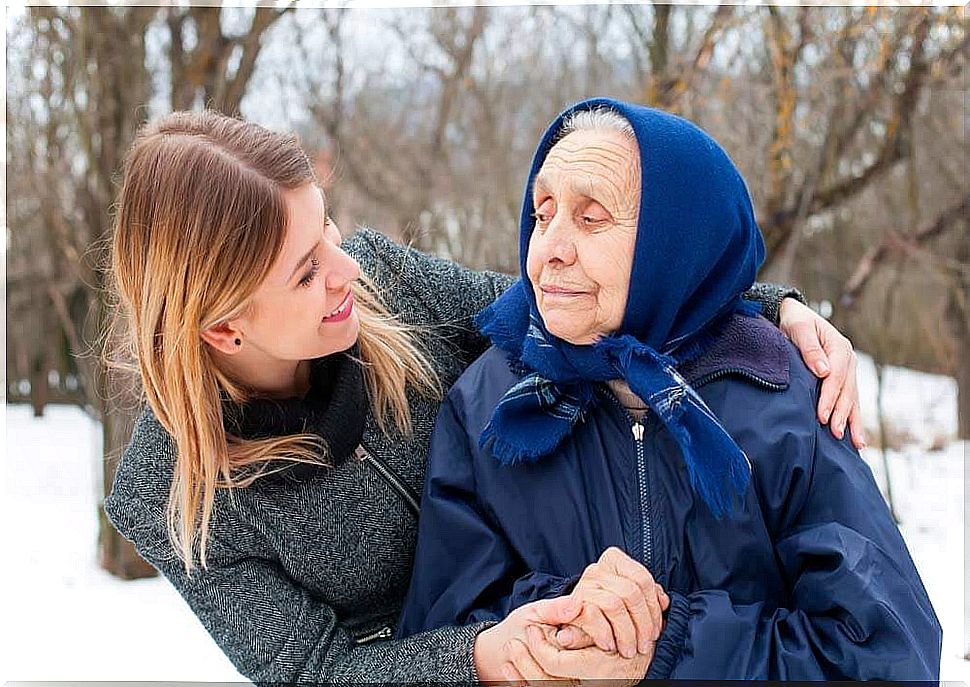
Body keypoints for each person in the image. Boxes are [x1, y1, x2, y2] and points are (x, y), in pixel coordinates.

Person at [103, 109, 864, 682]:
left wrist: (769, 307)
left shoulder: (385, 282)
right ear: (224, 329)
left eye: (327, 227)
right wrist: (477, 653)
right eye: (305, 271)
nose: (344, 269)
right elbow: (315, 671)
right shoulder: (168, 496)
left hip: (559, 597)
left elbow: (568, 305)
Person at [397, 98, 941, 682]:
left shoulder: (782, 396)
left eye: (590, 217)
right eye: (543, 211)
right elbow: (441, 638)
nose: (547, 248)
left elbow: (886, 658)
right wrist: (579, 621)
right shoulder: (490, 403)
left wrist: (665, 644)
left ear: (673, 242)